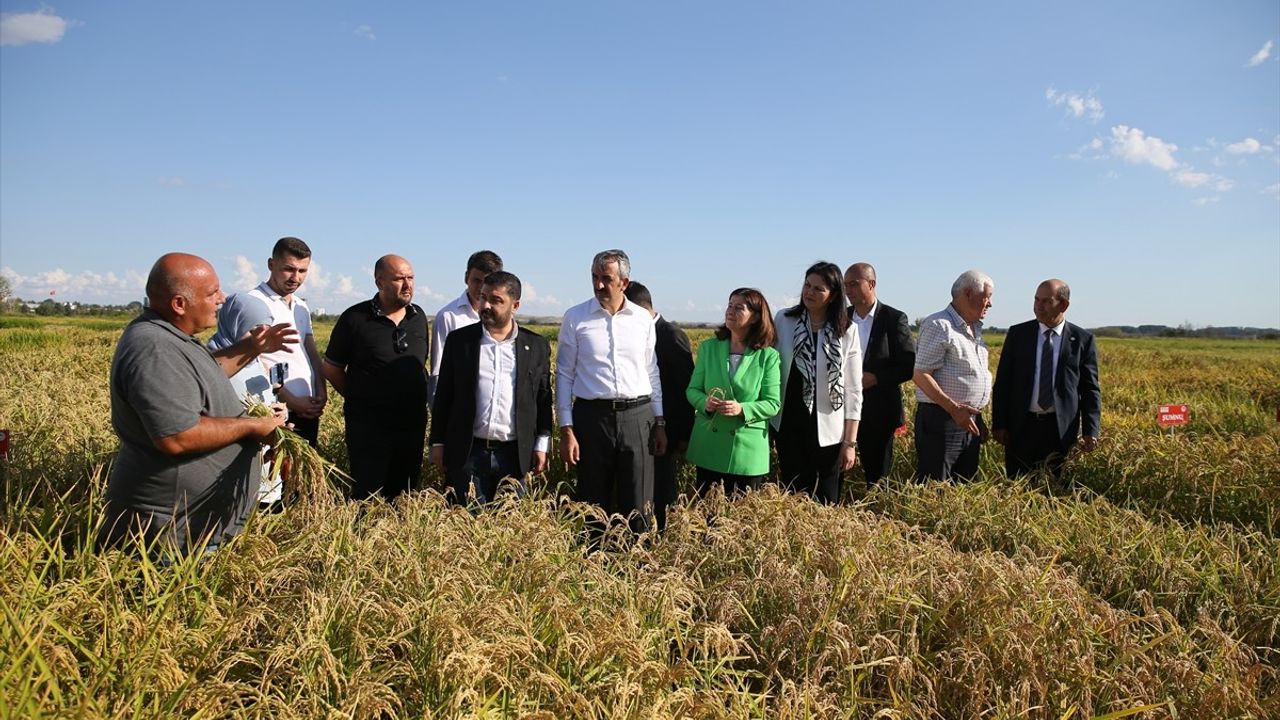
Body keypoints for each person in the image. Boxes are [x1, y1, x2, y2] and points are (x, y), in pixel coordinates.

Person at [99, 253, 292, 556]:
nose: (222, 298)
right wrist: (255, 426)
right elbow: (176, 436)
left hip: (192, 528)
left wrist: (251, 348)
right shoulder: (154, 347)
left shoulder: (173, 338)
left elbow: (204, 375)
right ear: (179, 304)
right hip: (167, 537)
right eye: (212, 292)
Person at [211, 236, 327, 507]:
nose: (295, 277)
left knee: (300, 480)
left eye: (302, 271)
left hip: (307, 407)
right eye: (288, 269)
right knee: (271, 477)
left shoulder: (300, 306)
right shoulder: (253, 303)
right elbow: (251, 361)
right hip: (273, 409)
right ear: (271, 264)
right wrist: (289, 399)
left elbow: (309, 351)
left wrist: (321, 391)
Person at [557, 249, 666, 535]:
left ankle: (639, 563)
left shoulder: (642, 319)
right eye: (594, 277)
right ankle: (594, 566)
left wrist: (660, 421)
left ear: (624, 283)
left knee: (639, 498)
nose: (598, 285)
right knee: (593, 499)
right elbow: (565, 374)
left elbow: (651, 371)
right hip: (592, 419)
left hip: (638, 417)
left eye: (606, 278)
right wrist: (566, 428)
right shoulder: (575, 318)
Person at [429, 271, 553, 505]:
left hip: (513, 455)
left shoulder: (535, 346)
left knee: (508, 530)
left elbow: (543, 398)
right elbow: (444, 394)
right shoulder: (460, 342)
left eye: (496, 300)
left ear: (515, 305)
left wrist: (542, 443)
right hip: (468, 453)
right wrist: (437, 442)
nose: (485, 305)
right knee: (463, 526)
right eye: (483, 297)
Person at [322, 254, 429, 501]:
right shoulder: (355, 318)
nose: (408, 285)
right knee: (369, 495)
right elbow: (331, 368)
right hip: (369, 428)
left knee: (406, 494)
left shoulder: (418, 316)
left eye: (411, 278)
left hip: (411, 425)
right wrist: (360, 398)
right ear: (380, 283)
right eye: (399, 279)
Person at [771, 261, 863, 503]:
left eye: (818, 289)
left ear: (833, 295)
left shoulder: (846, 330)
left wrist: (850, 442)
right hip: (789, 423)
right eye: (807, 285)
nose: (809, 292)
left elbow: (853, 389)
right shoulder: (784, 320)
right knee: (793, 495)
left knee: (826, 498)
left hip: (829, 430)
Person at [992, 278, 1101, 480]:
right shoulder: (1018, 334)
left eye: (1045, 301)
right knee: (1018, 489)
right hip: (1021, 428)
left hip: (1061, 432)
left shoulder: (1082, 340)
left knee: (1057, 490)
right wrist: (999, 423)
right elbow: (1003, 382)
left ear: (1064, 305)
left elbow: (1089, 389)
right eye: (1036, 300)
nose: (1037, 307)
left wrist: (1090, 429)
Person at [685, 288, 781, 496]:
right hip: (710, 445)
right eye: (729, 305)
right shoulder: (708, 348)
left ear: (755, 317)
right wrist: (704, 403)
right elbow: (692, 390)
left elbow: (773, 403)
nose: (730, 311)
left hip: (746, 452)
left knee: (739, 523)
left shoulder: (768, 356)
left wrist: (741, 409)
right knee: (706, 516)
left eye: (739, 307)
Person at [623, 281, 694, 530]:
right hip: (642, 425)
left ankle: (664, 533)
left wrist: (682, 434)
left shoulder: (670, 335)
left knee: (663, 488)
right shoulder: (638, 333)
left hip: (668, 430)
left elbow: (685, 389)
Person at [913, 270, 995, 482]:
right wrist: (954, 408)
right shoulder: (939, 325)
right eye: (987, 296)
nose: (990, 304)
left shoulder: (974, 329)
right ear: (968, 294)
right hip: (942, 421)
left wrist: (974, 416)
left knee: (964, 487)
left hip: (966, 420)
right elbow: (920, 374)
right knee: (936, 487)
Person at [843, 262, 916, 486]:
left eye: (854, 284)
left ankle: (876, 513)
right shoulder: (840, 318)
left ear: (871, 284)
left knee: (877, 476)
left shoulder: (893, 319)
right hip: (842, 407)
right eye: (846, 286)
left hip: (879, 411)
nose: (848, 290)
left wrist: (875, 378)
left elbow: (907, 365)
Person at [430, 250, 503, 404]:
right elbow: (438, 371)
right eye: (476, 281)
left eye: (487, 282)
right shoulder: (448, 316)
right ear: (466, 278)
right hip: (459, 405)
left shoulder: (503, 318)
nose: (481, 287)